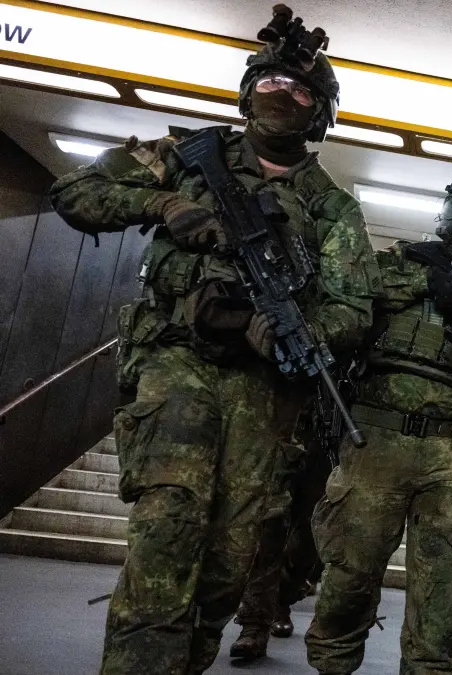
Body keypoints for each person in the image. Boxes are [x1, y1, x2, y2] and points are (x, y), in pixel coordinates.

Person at [47, 9, 378, 673]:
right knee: (167, 536)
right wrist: (161, 204)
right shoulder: (187, 156)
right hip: (177, 366)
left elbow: (353, 305)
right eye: (273, 84)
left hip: (263, 395)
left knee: (229, 565)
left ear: (320, 116)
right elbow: (77, 190)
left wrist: (300, 331)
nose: (285, 97)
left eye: (303, 93)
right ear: (248, 90)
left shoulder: (331, 207)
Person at [305, 178, 452, 675]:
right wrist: (429, 283)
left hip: (450, 447)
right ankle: (332, 661)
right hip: (377, 438)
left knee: (445, 578)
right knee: (352, 568)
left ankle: (430, 668)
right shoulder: (405, 261)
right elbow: (353, 294)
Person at [229, 403, 335, 659]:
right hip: (286, 430)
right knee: (270, 531)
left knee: (310, 541)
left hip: (329, 438)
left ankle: (283, 598)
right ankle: (254, 624)